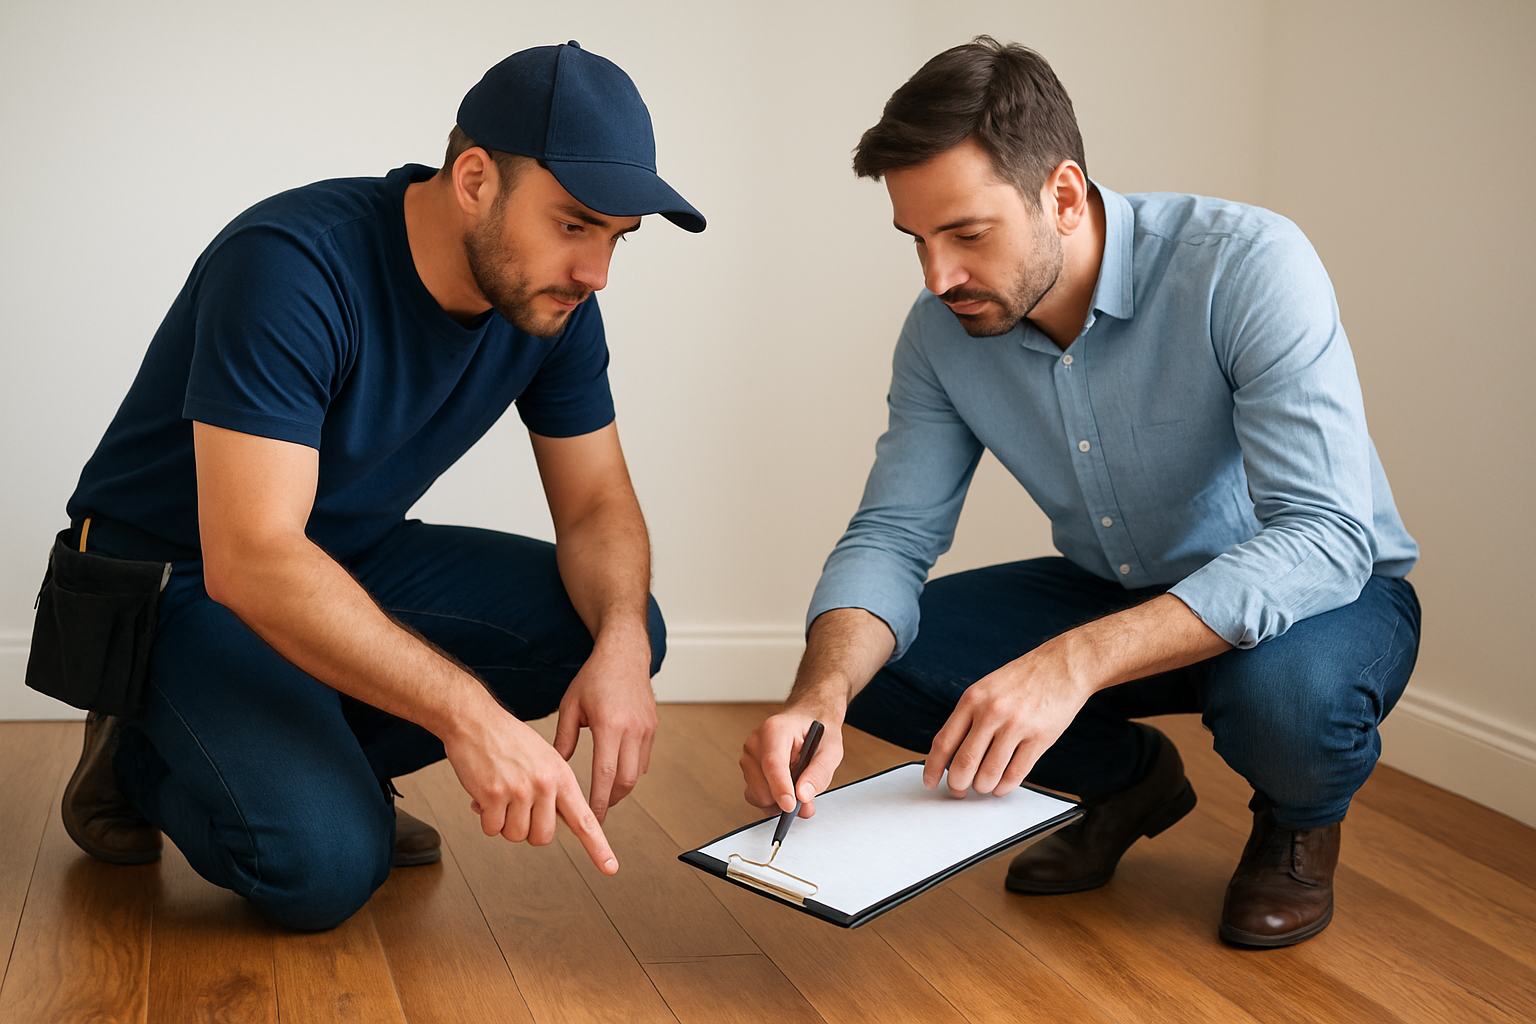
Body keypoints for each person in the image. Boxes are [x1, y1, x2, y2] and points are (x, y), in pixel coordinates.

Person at [739, 37, 1419, 948]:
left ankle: (1297, 823)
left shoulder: (1246, 263)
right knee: (880, 661)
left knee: (1288, 701)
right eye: (917, 240)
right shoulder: (940, 331)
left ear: (1063, 195)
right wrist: (818, 694)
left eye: (967, 234)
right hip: (1116, 586)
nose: (937, 277)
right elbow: (893, 534)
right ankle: (1125, 781)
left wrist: (1075, 662)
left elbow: (1327, 537)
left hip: (1321, 598)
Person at [43, 41, 705, 931]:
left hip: (339, 553)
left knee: (617, 623)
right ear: (475, 180)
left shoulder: (552, 302)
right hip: (173, 580)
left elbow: (596, 506)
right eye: (574, 225)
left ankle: (319, 763)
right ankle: (139, 752)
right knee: (324, 870)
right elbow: (251, 558)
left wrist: (621, 644)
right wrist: (470, 716)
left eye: (617, 239)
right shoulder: (292, 264)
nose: (597, 273)